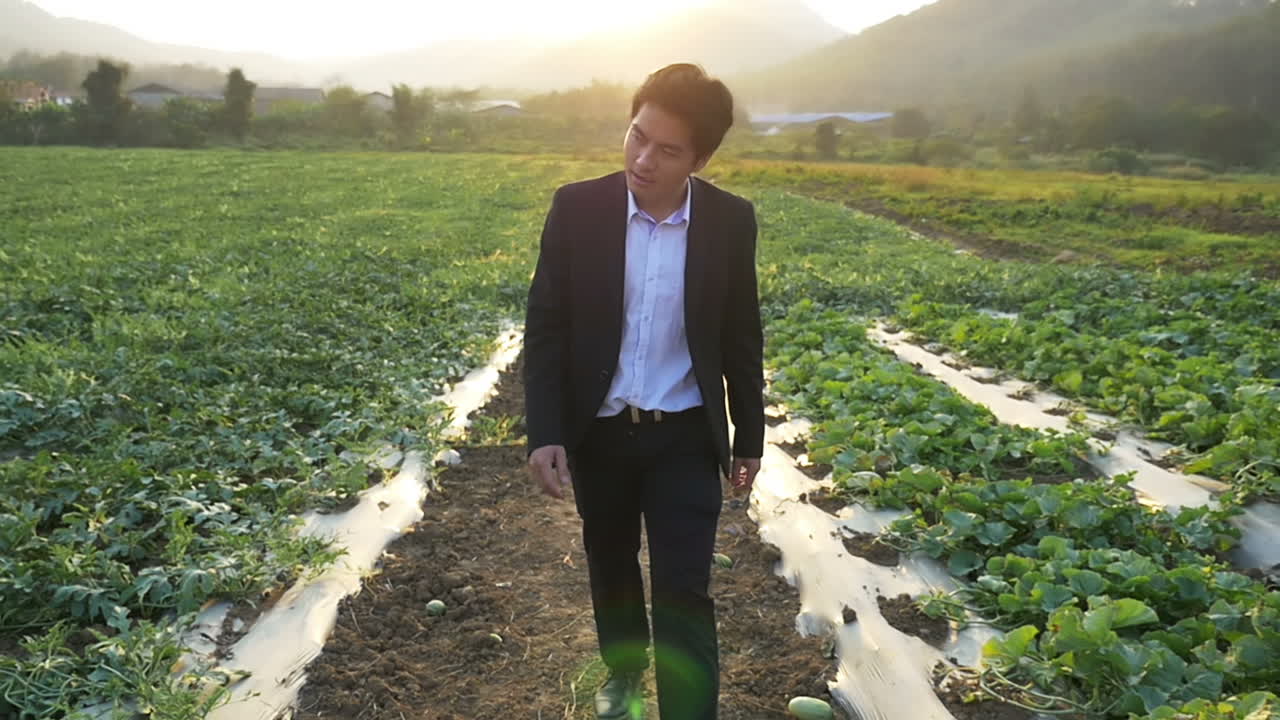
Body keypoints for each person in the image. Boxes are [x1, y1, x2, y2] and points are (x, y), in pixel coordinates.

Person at [524, 63, 764, 720]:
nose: (643, 159)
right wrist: (544, 431)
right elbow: (545, 327)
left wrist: (750, 436)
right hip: (601, 431)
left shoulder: (729, 222)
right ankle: (623, 676)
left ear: (701, 158)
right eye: (637, 136)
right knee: (611, 563)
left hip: (684, 433)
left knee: (684, 589)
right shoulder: (578, 209)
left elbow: (742, 334)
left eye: (667, 150)